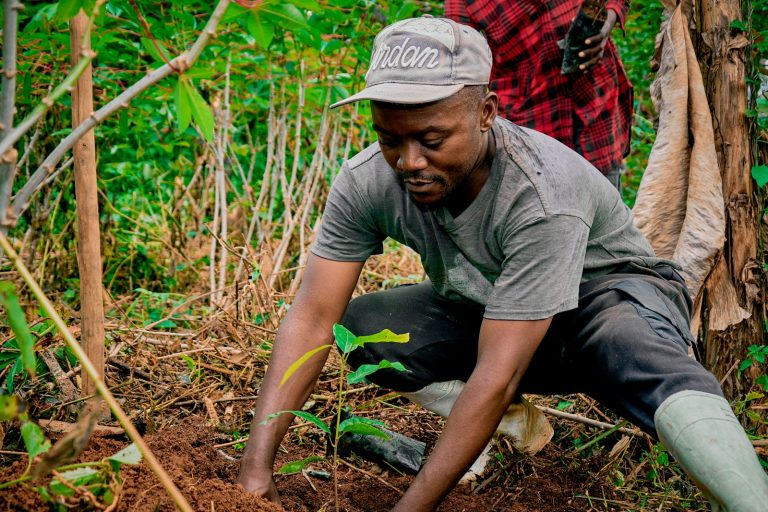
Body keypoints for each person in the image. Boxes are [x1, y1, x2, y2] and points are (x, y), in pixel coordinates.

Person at [237, 16, 768, 511]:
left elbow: (498, 370)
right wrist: (254, 474)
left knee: (644, 361)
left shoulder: (541, 193)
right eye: (390, 137)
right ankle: (502, 426)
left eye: (432, 139)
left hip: (605, 305)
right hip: (501, 313)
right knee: (367, 326)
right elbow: (311, 317)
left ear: (487, 113)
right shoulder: (368, 180)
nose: (409, 161)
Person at [445, 0, 632, 191]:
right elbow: (459, 65)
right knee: (545, 210)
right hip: (533, 129)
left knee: (605, 208)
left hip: (596, 108)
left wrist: (606, 23)